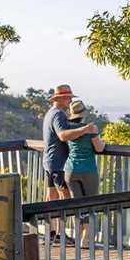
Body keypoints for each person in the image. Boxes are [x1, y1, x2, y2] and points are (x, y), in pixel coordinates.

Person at [42, 84, 97, 243]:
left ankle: (50, 233)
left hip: (49, 160)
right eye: (68, 98)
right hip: (58, 163)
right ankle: (60, 234)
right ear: (61, 99)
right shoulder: (58, 115)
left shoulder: (49, 113)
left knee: (50, 197)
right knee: (64, 198)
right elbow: (63, 136)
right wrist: (85, 130)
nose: (69, 101)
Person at [64, 99, 106, 245]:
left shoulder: (68, 129)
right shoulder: (90, 129)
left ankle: (79, 236)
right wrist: (103, 142)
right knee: (91, 205)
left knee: (77, 205)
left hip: (70, 170)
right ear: (83, 114)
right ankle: (86, 239)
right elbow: (99, 148)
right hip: (88, 170)